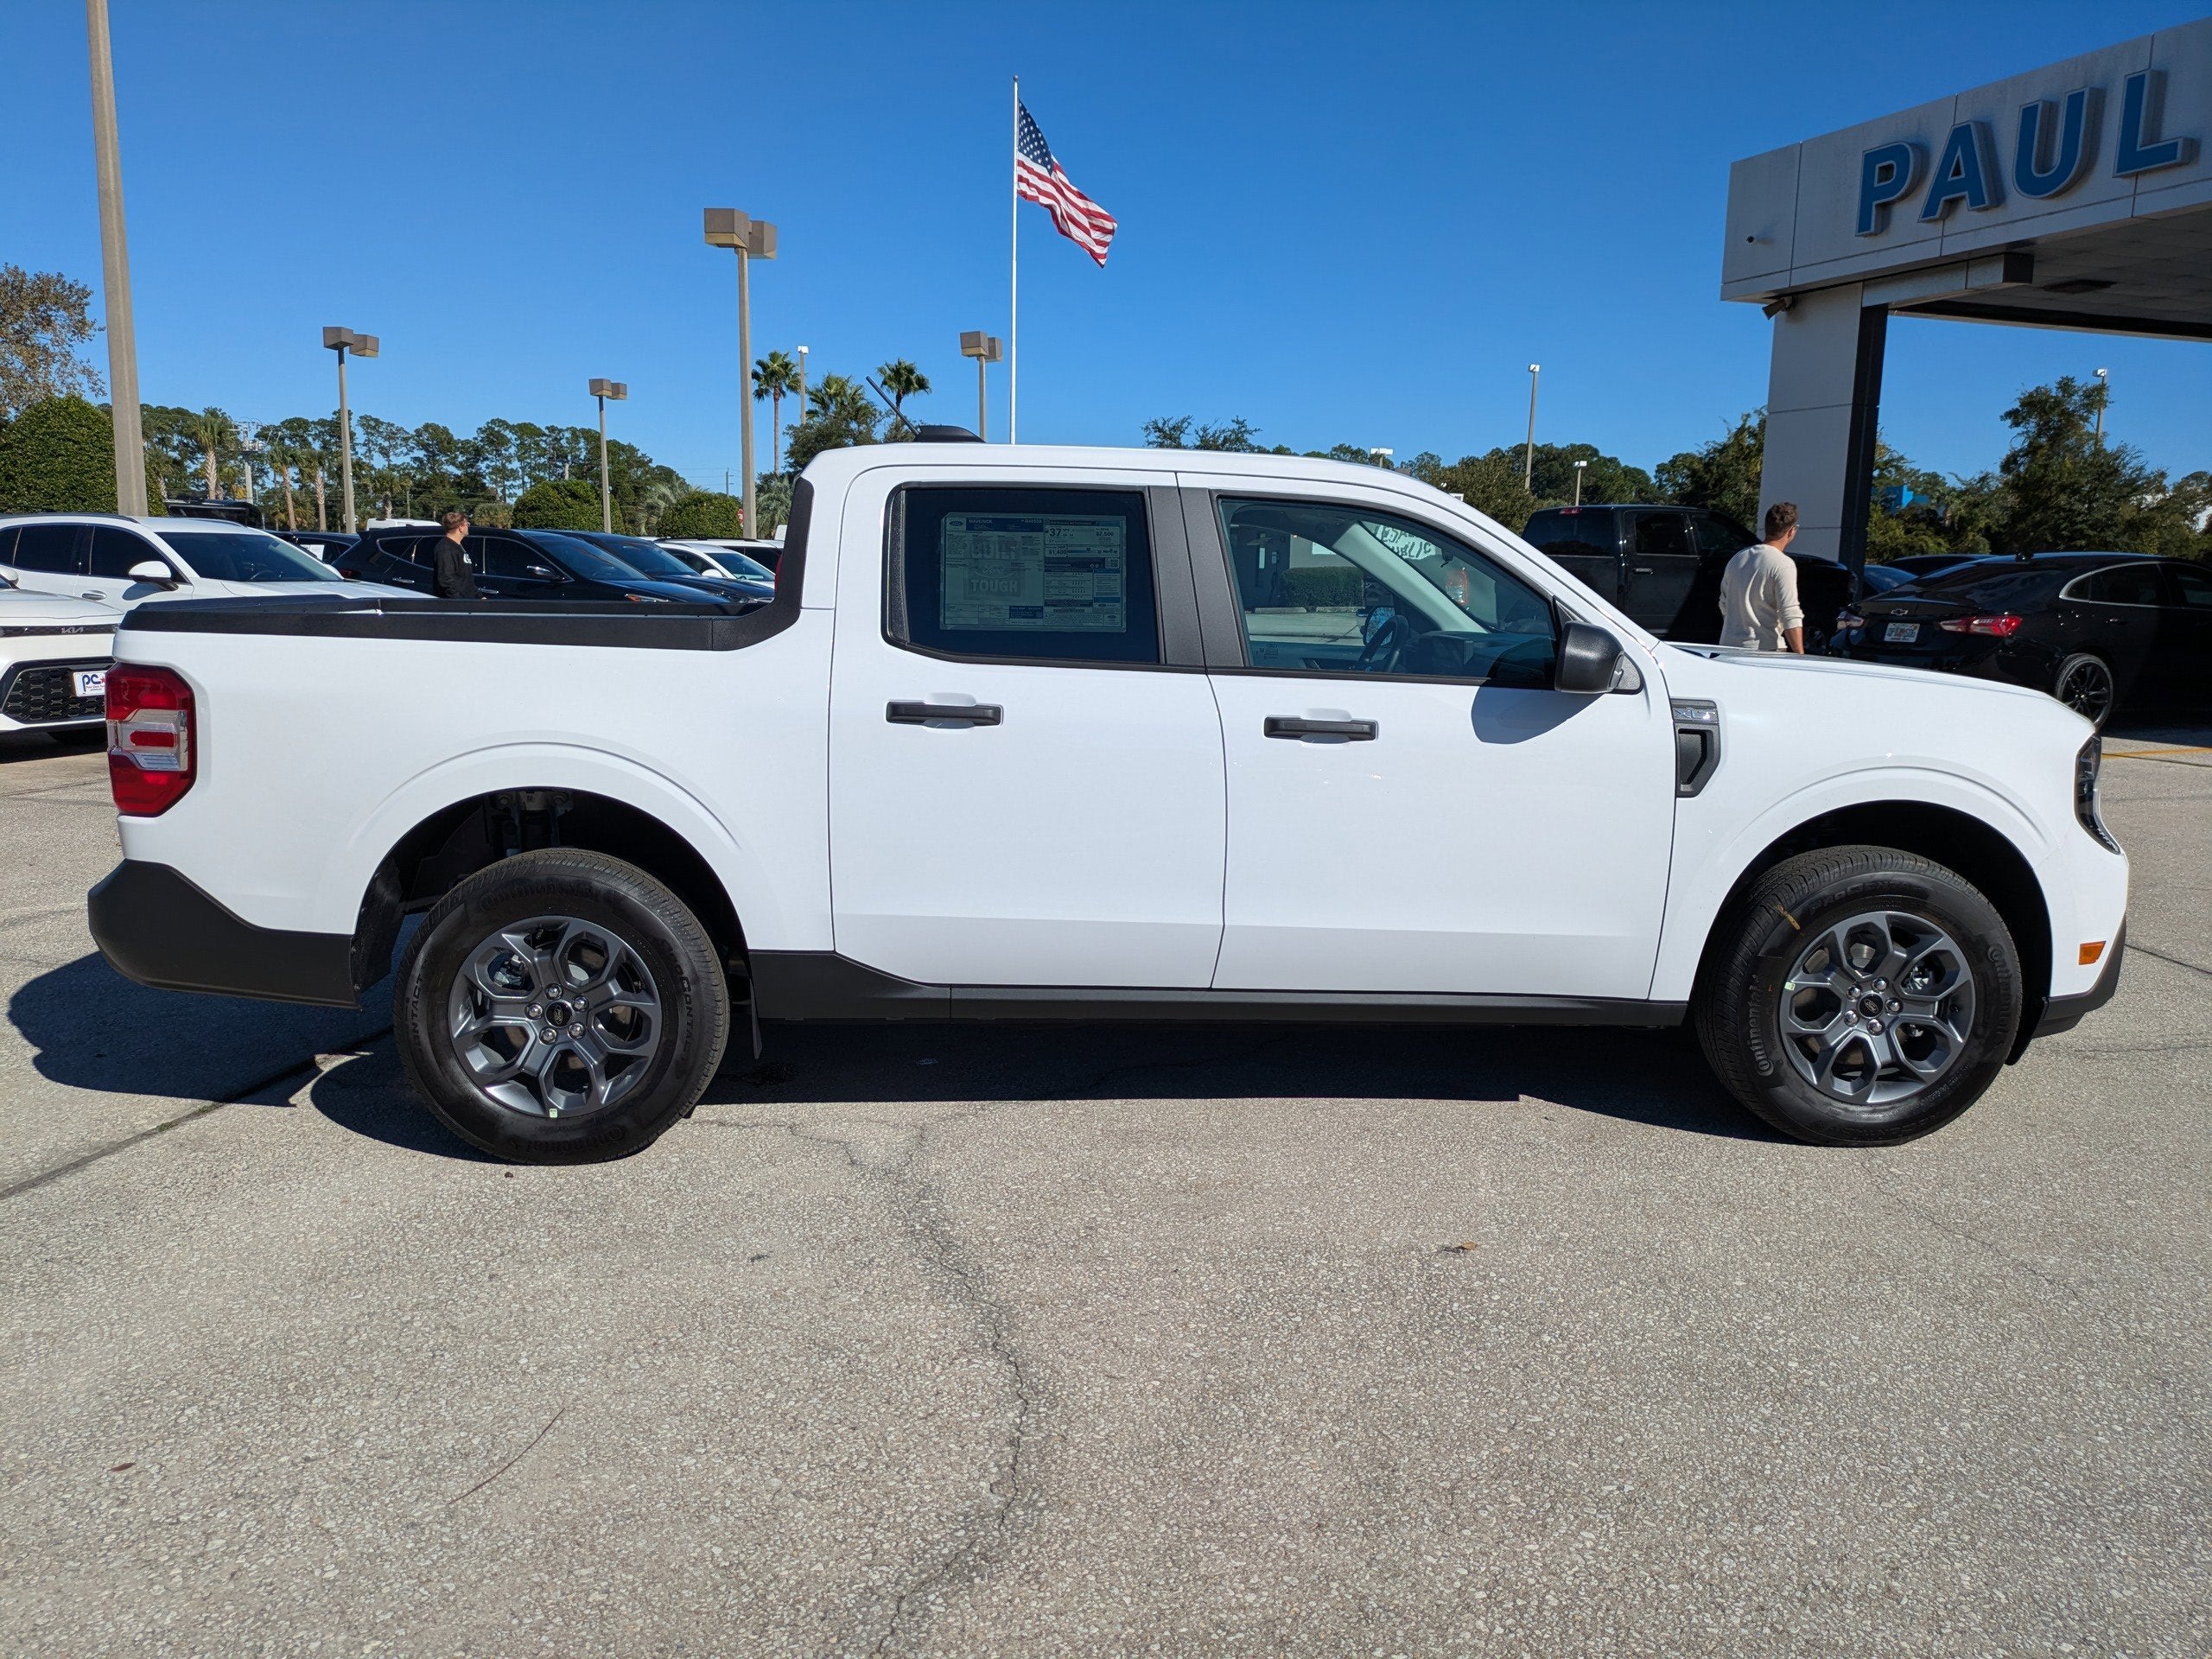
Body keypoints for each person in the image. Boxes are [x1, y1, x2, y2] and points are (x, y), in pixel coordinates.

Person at [1719, 501, 1804, 652]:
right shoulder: (1783, 565)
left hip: (1728, 649)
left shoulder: (1737, 559)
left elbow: (1724, 604)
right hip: (1765, 651)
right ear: (1791, 531)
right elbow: (1790, 614)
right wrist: (1801, 655)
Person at [433, 509, 478, 600]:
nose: (468, 527)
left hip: (468, 603)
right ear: (460, 528)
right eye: (467, 525)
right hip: (455, 606)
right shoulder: (445, 549)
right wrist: (459, 602)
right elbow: (446, 581)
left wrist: (479, 596)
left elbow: (466, 580)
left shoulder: (459, 546)